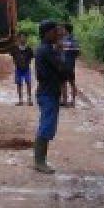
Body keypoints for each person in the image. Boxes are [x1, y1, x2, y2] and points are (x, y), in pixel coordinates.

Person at [33, 20, 66, 174]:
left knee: (47, 125)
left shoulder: (44, 49)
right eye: (54, 31)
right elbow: (62, 69)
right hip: (48, 92)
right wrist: (61, 52)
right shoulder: (47, 51)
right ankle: (40, 162)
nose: (57, 34)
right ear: (47, 33)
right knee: (46, 126)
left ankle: (40, 160)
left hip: (47, 91)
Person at [10, 32, 34, 105]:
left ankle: (29, 99)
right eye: (21, 37)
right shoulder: (15, 49)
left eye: (24, 37)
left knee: (28, 83)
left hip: (26, 68)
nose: (23, 39)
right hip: (18, 69)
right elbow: (13, 57)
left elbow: (31, 57)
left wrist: (27, 63)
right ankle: (20, 100)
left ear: (26, 39)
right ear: (18, 39)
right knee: (19, 84)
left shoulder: (29, 49)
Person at [60, 23, 80, 107]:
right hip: (62, 63)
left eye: (63, 29)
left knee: (71, 82)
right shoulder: (61, 38)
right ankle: (64, 100)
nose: (62, 30)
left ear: (67, 30)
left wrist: (66, 46)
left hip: (69, 63)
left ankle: (73, 101)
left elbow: (77, 50)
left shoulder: (73, 39)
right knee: (62, 82)